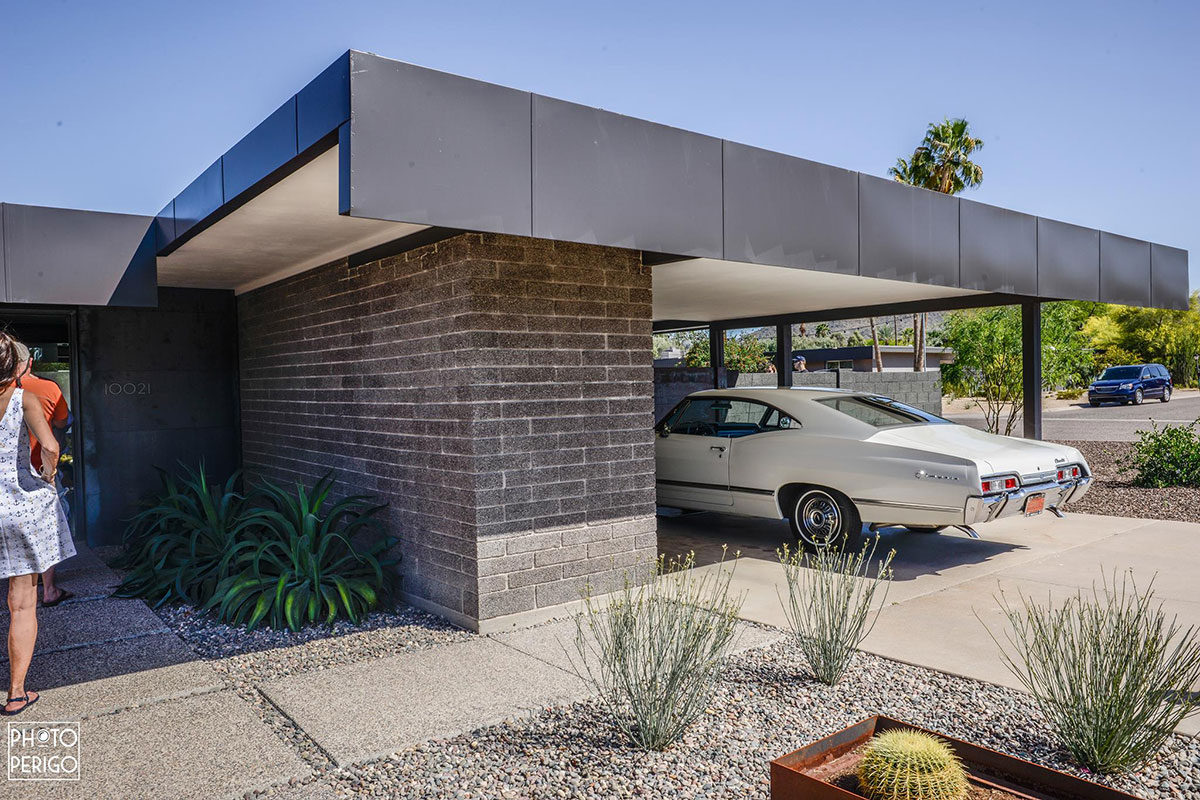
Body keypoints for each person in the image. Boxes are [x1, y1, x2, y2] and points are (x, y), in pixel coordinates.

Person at [0, 333, 75, 716]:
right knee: (21, 604)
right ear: (17, 365)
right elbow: (50, 446)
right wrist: (46, 477)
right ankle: (15, 693)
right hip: (16, 506)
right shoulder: (22, 398)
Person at [14, 343, 73, 606]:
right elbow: (61, 424)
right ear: (30, 363)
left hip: (6, 474)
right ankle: (48, 589)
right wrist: (50, 475)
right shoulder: (46, 389)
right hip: (37, 470)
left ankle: (22, 583)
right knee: (47, 527)